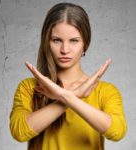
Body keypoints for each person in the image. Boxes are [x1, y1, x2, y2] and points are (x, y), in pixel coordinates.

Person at [10, 2, 127, 150]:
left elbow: (117, 132)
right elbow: (19, 132)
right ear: (47, 42)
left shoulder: (105, 91)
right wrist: (73, 96)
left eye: (74, 41)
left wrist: (65, 96)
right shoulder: (30, 87)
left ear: (85, 44)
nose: (65, 50)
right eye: (57, 40)